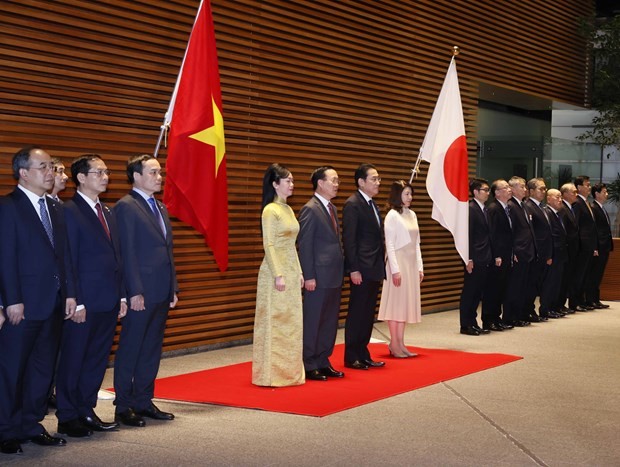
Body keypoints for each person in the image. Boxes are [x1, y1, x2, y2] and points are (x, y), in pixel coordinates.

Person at [0, 146, 77, 455]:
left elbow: (64, 256)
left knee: (42, 370)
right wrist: (11, 300)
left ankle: (30, 424)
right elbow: (5, 258)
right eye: (44, 167)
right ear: (24, 173)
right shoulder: (8, 207)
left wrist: (70, 294)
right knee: (12, 369)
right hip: (23, 305)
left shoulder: (55, 208)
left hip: (54, 303)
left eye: (51, 167)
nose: (51, 172)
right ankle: (6, 428)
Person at [55, 155, 126, 438]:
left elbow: (116, 257)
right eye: (99, 172)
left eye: (106, 172)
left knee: (96, 359)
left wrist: (121, 295)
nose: (105, 176)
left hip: (108, 299)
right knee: (74, 359)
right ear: (81, 178)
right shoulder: (68, 211)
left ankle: (86, 409)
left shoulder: (107, 212)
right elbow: (67, 260)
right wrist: (77, 299)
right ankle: (68, 416)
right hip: (84, 301)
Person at [113, 155, 178, 427]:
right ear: (136, 176)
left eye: (159, 172)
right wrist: (133, 291)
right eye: (153, 172)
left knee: (151, 348)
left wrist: (173, 286)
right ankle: (124, 405)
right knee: (131, 348)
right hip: (141, 291)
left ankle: (143, 400)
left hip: (161, 289)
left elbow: (168, 251)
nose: (159, 177)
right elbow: (125, 253)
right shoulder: (125, 207)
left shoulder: (160, 207)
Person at [252, 163, 305, 387]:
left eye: (292, 181)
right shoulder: (270, 210)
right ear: (275, 185)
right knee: (275, 321)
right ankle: (272, 374)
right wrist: (278, 274)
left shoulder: (289, 209)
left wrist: (299, 271)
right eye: (288, 181)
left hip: (291, 268)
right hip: (276, 271)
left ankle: (290, 373)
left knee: (292, 323)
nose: (292, 185)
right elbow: (269, 244)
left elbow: (293, 245)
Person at [297, 166, 345, 381]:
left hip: (333, 275)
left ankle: (323, 360)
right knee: (314, 320)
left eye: (337, 181)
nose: (337, 184)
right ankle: (309, 363)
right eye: (333, 180)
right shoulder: (310, 208)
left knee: (329, 321)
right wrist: (309, 276)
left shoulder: (331, 208)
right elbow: (305, 245)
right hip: (317, 276)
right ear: (320, 183)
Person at [342, 163, 386, 370]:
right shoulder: (353, 204)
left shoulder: (372, 204)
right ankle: (352, 356)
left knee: (368, 313)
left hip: (374, 267)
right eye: (374, 179)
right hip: (361, 268)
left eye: (378, 179)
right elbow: (349, 240)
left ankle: (363, 352)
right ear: (361, 182)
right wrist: (354, 269)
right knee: (357, 312)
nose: (378, 182)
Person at [378, 180, 424, 355]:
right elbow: (389, 244)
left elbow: (417, 243)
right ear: (398, 195)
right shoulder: (392, 215)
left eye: (411, 194)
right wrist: (395, 270)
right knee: (396, 304)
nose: (410, 197)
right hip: (397, 263)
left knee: (404, 304)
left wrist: (420, 266)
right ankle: (394, 344)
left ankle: (401, 343)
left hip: (411, 263)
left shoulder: (412, 214)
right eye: (406, 194)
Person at [458, 179, 492, 336]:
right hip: (474, 257)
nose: (487, 193)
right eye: (485, 190)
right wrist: (468, 258)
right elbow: (467, 236)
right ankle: (465, 325)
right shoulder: (470, 209)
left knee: (478, 292)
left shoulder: (484, 209)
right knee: (470, 292)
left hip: (484, 256)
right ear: (476, 192)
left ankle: (473, 322)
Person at [484, 179, 514, 331]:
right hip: (498, 256)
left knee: (502, 288)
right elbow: (493, 235)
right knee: (493, 289)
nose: (509, 189)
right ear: (497, 193)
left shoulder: (506, 208)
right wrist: (496, 255)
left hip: (507, 255)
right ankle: (489, 320)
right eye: (506, 187)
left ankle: (497, 318)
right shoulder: (494, 208)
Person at [505, 176, 535, 327]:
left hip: (527, 252)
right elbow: (511, 232)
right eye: (522, 187)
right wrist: (514, 251)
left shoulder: (524, 205)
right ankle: (510, 316)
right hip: (518, 252)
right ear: (513, 189)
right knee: (514, 287)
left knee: (523, 286)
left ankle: (520, 314)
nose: (525, 189)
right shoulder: (510, 206)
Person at [524, 178, 554, 321]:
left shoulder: (542, 207)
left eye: (544, 189)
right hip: (535, 252)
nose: (544, 191)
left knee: (536, 284)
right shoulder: (528, 206)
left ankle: (531, 310)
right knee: (530, 285)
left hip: (543, 252)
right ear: (530, 191)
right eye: (540, 189)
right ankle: (528, 311)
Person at [572, 176, 598, 311]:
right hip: (582, 246)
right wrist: (581, 244)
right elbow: (576, 226)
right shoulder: (577, 203)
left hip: (588, 245)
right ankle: (575, 302)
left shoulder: (587, 202)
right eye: (587, 185)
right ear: (579, 187)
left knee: (585, 275)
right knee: (578, 275)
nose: (589, 187)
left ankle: (581, 300)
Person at [541, 189, 568, 318]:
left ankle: (553, 306)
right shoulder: (547, 213)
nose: (560, 199)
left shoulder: (558, 214)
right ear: (549, 199)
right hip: (554, 253)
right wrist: (549, 255)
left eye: (560, 197)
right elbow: (550, 235)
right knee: (550, 283)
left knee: (557, 282)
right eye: (557, 197)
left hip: (561, 253)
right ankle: (546, 308)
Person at [586, 183, 613, 309]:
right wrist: (595, 247)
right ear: (596, 194)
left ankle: (595, 299)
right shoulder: (594, 208)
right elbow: (594, 230)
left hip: (605, 246)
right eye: (604, 192)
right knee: (594, 274)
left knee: (598, 274)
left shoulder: (601, 208)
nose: (606, 194)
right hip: (599, 247)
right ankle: (590, 299)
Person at [558, 183, 579, 313]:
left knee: (567, 279)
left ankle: (561, 304)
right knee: (562, 279)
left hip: (572, 250)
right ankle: (559, 304)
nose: (576, 195)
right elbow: (564, 231)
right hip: (566, 249)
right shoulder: (563, 209)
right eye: (573, 192)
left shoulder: (570, 208)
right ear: (565, 194)